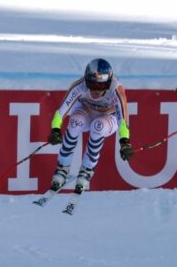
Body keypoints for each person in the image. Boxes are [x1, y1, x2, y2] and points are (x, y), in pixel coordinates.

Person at [46, 58, 133, 193]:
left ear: (109, 83)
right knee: (75, 123)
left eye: (101, 86)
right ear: (86, 80)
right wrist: (55, 129)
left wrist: (125, 142)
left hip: (108, 117)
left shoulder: (116, 89)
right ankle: (62, 167)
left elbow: (123, 119)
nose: (96, 90)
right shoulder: (80, 86)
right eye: (93, 85)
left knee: (98, 127)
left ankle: (87, 169)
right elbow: (62, 110)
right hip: (87, 111)